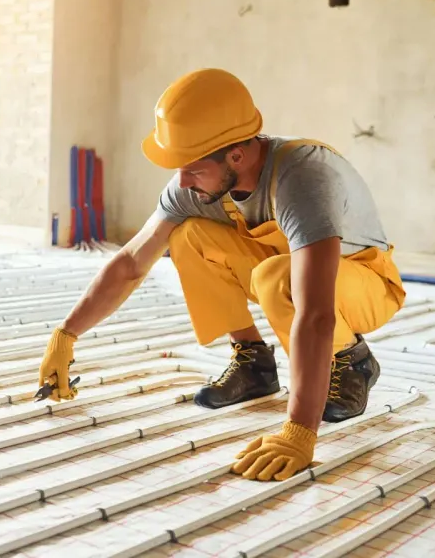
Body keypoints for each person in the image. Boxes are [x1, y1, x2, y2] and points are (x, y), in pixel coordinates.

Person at [37, 68, 406, 482]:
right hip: (284, 269)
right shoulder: (196, 183)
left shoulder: (302, 179)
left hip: (363, 283)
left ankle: (352, 362)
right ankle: (254, 364)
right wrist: (66, 334)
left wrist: (299, 432)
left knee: (276, 277)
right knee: (188, 235)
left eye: (192, 169)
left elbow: (315, 312)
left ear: (237, 155)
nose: (181, 182)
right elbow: (130, 263)